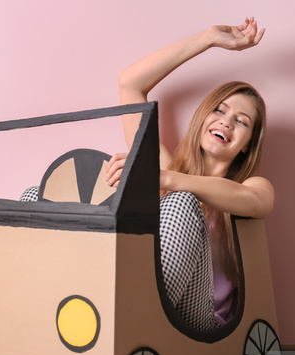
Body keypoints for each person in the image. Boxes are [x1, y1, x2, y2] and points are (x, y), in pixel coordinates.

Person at [105, 18, 274, 331]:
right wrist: (208, 38)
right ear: (204, 116)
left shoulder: (251, 185)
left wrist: (165, 180)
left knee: (181, 201)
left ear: (247, 145)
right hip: (140, 293)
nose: (226, 122)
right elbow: (130, 84)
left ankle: (122, 321)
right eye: (219, 110)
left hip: (198, 321)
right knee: (36, 197)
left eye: (242, 121)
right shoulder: (168, 170)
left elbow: (254, 201)